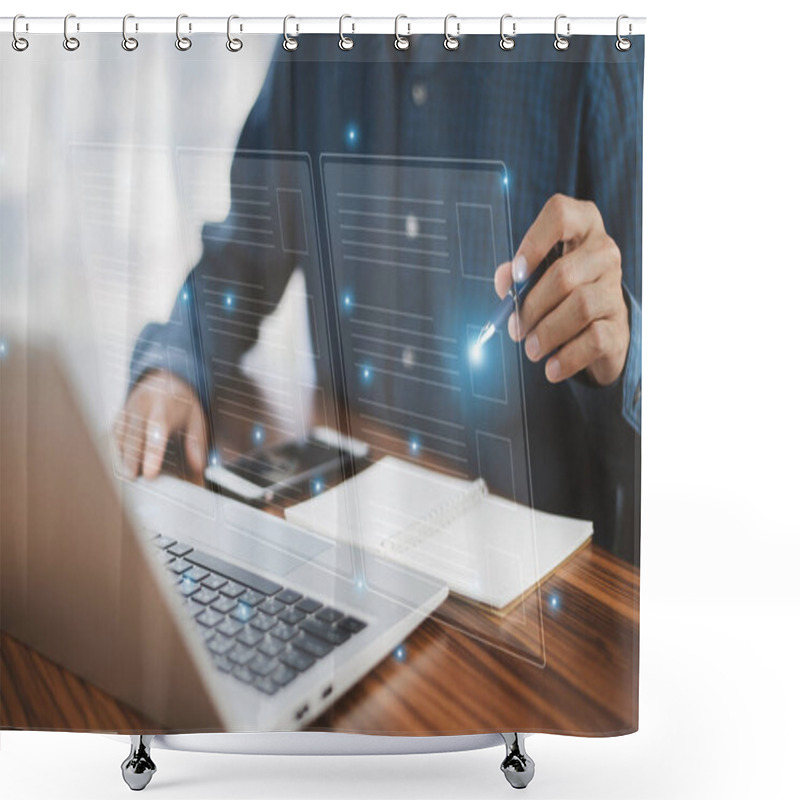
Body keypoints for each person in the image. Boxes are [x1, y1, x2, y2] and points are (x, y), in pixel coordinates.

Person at [113, 34, 642, 564]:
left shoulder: (602, 47)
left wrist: (620, 352)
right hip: (340, 548)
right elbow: (241, 262)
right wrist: (174, 367)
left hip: (531, 584)